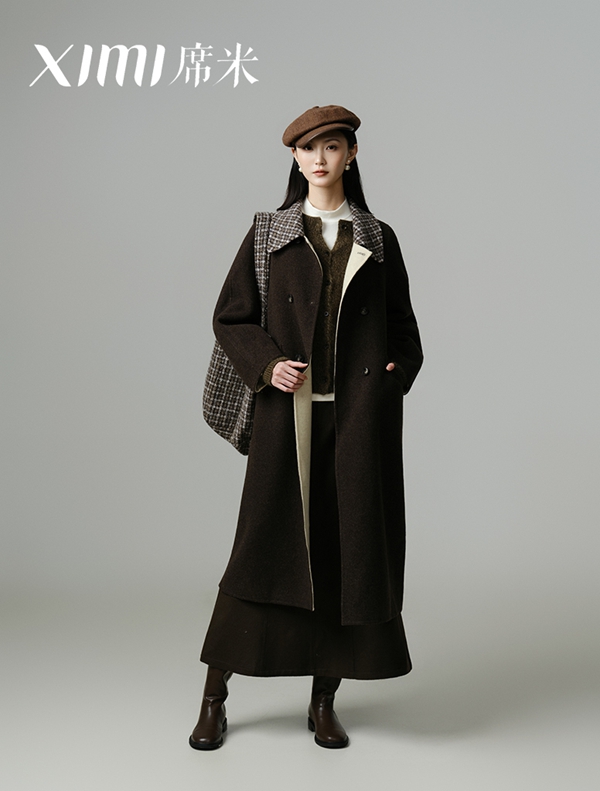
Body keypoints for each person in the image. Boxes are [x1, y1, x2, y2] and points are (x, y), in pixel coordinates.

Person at [189, 105, 423, 750]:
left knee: (345, 559)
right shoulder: (269, 233)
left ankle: (323, 701)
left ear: (351, 155)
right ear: (294, 159)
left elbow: (404, 329)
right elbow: (231, 317)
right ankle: (214, 698)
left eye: (333, 146)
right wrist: (267, 365)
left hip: (357, 424)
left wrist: (392, 377)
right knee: (261, 555)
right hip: (285, 420)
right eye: (308, 149)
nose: (320, 158)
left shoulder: (379, 238)